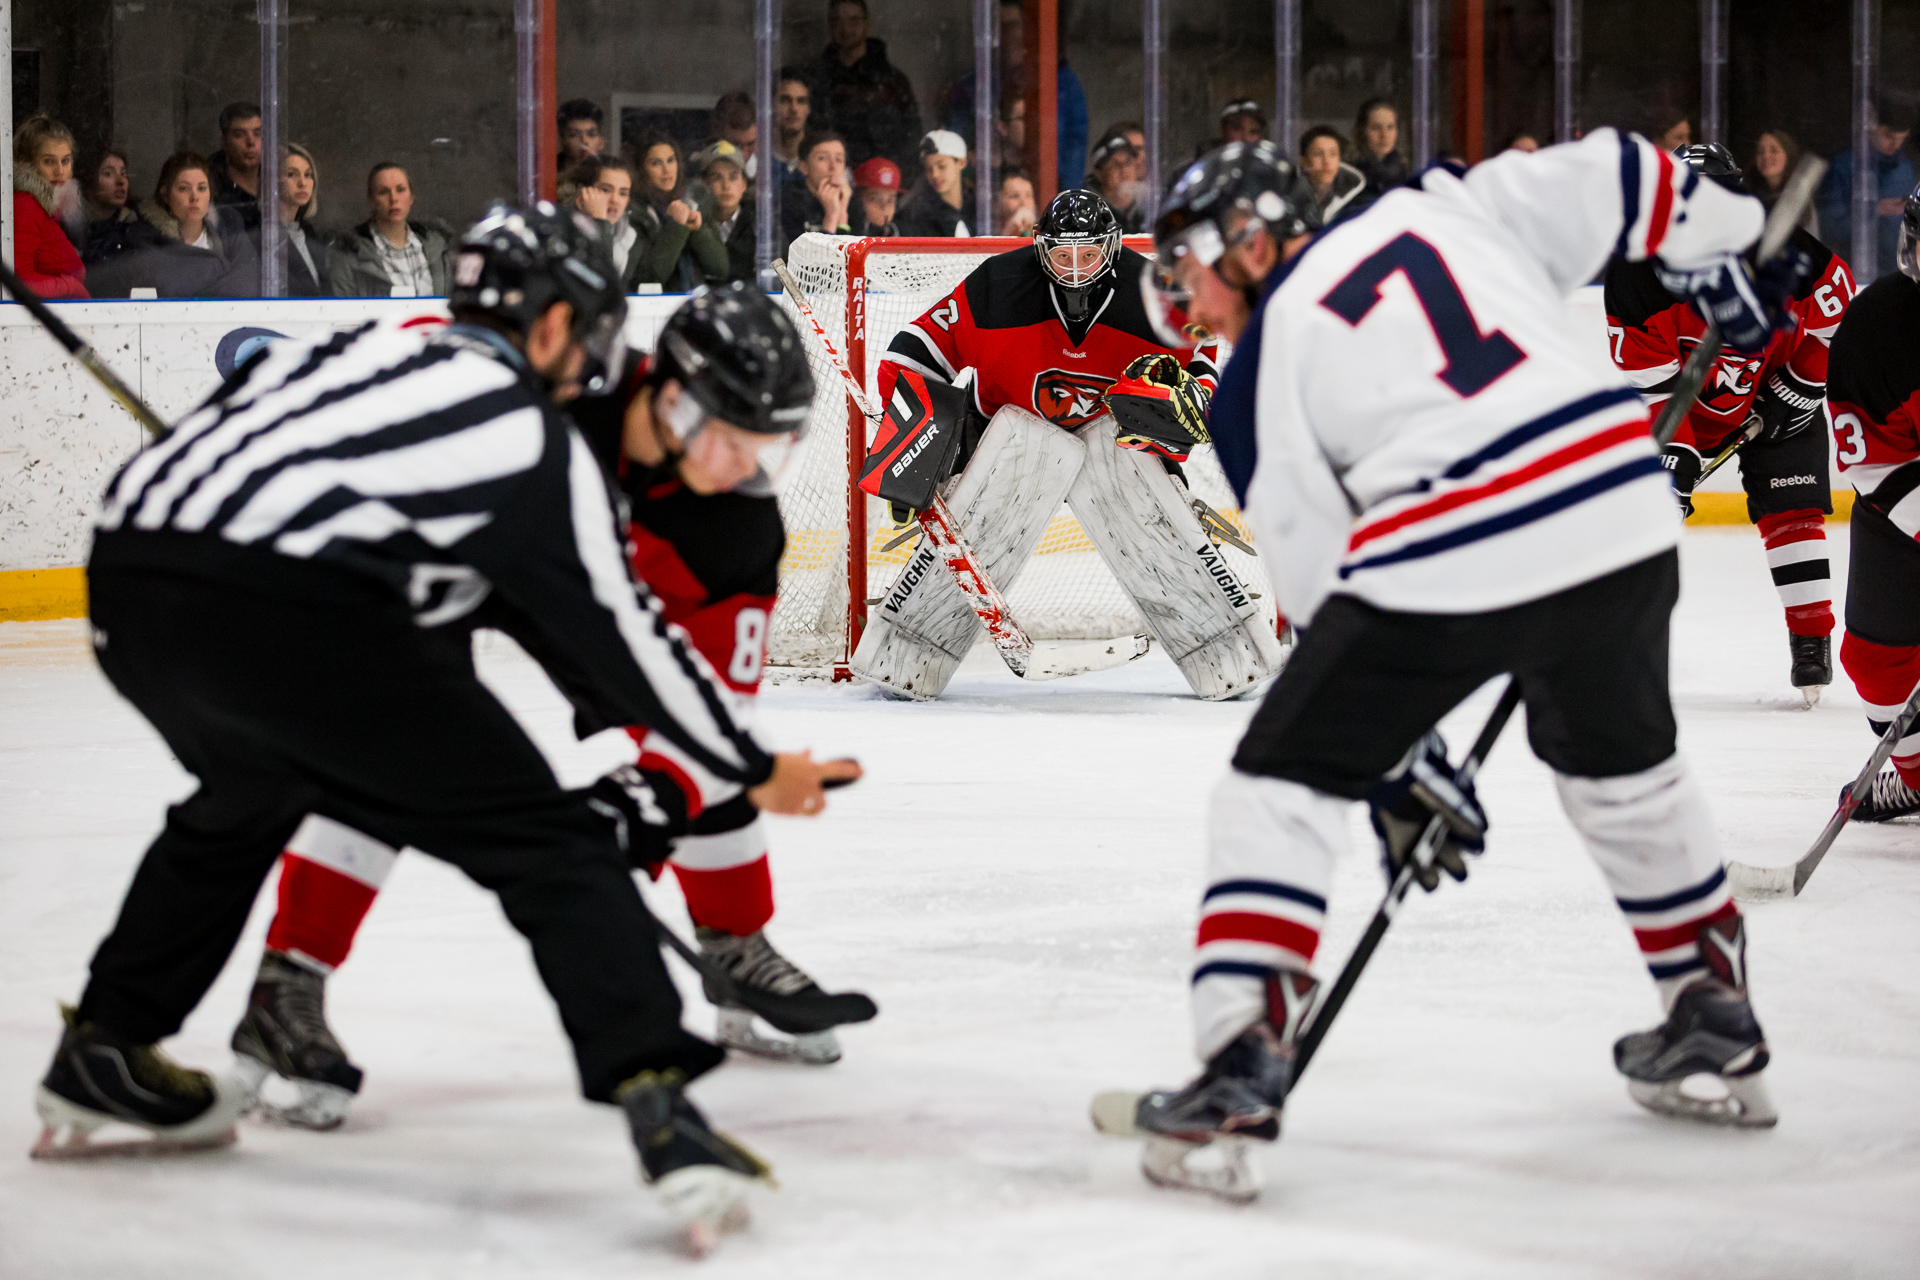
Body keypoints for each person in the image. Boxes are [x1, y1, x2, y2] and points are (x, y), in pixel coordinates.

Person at [34, 202, 856, 1251]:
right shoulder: (540, 433)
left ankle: (106, 1045)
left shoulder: (373, 352)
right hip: (310, 610)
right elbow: (633, 646)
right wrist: (751, 762)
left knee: (245, 794)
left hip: (135, 578)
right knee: (549, 845)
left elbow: (252, 369)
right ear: (553, 327)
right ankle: (661, 1102)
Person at [1123, 133, 1791, 1203]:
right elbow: (1621, 173)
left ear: (1249, 239)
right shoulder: (1439, 205)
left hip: (1453, 536)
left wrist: (1391, 763)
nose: (1185, 296)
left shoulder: (1266, 359)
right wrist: (1727, 247)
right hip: (1617, 508)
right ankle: (1714, 1008)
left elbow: (1318, 580)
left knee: (1278, 787)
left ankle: (1241, 1056)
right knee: (1625, 770)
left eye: (1190, 263)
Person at [223, 280, 873, 1135]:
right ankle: (288, 983)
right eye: (731, 440)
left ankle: (734, 945)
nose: (746, 470)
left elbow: (718, 709)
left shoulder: (734, 531)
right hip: (457, 571)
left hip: (597, 612)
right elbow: (426, 347)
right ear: (671, 401)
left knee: (712, 741)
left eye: (767, 448)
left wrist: (646, 800)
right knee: (393, 744)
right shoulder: (559, 395)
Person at [853, 190, 1275, 704]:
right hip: (1004, 439)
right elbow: (913, 351)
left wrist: (1197, 390)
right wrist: (913, 442)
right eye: (1062, 255)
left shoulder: (1152, 292)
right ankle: (904, 654)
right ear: (1041, 248)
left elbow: (1204, 344)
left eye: (1089, 255)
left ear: (1112, 248)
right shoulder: (997, 286)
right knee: (1010, 463)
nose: (1075, 270)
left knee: (1132, 480)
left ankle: (1228, 651)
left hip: (1117, 439)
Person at [1606, 143, 1853, 701]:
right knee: (1654, 509)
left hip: (1776, 388)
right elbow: (1657, 391)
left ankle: (1811, 642)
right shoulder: (1635, 275)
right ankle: (1627, 647)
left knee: (1793, 504)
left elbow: (1838, 314)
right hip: (1689, 406)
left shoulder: (1780, 246)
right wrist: (1673, 456)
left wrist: (1806, 383)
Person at [1821, 184, 1920, 820]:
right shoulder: (1877, 325)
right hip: (1903, 507)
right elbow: (1875, 461)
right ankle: (1915, 775)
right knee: (1875, 658)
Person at [941, 1, 1088, 195]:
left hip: (1047, 186)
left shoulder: (1059, 79)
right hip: (994, 189)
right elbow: (956, 137)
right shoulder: (977, 83)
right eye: (1001, 27)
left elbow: (1075, 140)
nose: (1008, 34)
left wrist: (1066, 194)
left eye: (1013, 25)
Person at [806, 0, 922, 170]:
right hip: (829, 178)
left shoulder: (892, 80)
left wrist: (896, 182)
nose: (845, 29)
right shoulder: (815, 78)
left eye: (854, 20)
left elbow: (912, 135)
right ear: (829, 25)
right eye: (838, 21)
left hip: (882, 181)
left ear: (867, 24)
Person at [134, 150, 259, 297]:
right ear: (165, 195)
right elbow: (166, 286)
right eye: (183, 188)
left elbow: (250, 281)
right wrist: (220, 272)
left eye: (201, 188)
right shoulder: (147, 238)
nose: (194, 197)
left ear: (210, 194)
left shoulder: (229, 227)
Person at [1816, 97, 1916, 276]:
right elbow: (1829, 230)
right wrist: (1874, 210)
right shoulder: (1842, 167)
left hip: (1897, 275)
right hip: (1854, 274)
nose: (1896, 145)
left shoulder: (1904, 168)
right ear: (1871, 129)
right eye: (1889, 136)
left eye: (1902, 139)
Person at [329, 163, 451, 298]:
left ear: (411, 197)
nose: (394, 198)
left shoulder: (436, 247)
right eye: (383, 192)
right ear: (372, 200)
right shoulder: (349, 254)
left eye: (401, 189)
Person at [630, 133, 728, 292]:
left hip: (696, 303)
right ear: (642, 169)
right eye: (656, 163)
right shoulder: (635, 212)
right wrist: (677, 225)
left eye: (671, 160)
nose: (666, 169)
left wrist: (698, 230)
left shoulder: (695, 202)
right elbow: (651, 277)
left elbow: (720, 269)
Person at [10, 115, 88, 298]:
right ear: (25, 162)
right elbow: (18, 283)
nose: (60, 171)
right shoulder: (26, 205)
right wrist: (71, 287)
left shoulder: (53, 209)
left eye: (65, 161)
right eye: (49, 161)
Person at [562, 155, 640, 286]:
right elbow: (602, 278)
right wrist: (599, 220)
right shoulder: (565, 231)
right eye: (605, 190)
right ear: (583, 193)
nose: (615, 200)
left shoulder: (628, 235)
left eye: (623, 193)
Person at [780, 130, 854, 250]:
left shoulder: (852, 202)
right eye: (822, 158)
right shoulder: (788, 201)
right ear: (803, 167)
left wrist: (842, 215)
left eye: (839, 160)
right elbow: (809, 263)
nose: (833, 167)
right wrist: (831, 217)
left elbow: (850, 261)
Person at [274, 144, 332, 298]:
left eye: (307, 175)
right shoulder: (260, 234)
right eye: (291, 174)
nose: (302, 183)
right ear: (271, 181)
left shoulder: (309, 235)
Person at [695, 142, 757, 283]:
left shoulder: (760, 223)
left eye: (733, 177)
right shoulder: (695, 223)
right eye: (717, 177)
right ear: (705, 183)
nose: (726, 186)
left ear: (744, 184)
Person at [897, 130, 971, 237]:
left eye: (942, 166)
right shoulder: (921, 216)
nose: (934, 175)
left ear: (962, 163)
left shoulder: (976, 208)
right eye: (928, 169)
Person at [1749, 129, 1816, 235]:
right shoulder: (1749, 195)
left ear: (1788, 155)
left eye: (1774, 150)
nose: (1766, 156)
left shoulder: (1798, 195)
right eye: (1760, 151)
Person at [208, 102, 264, 229]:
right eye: (239, 135)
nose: (251, 142)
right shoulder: (210, 191)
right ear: (224, 142)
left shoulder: (279, 182)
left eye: (258, 134)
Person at [1085, 127, 1146, 233]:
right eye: (1115, 164)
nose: (1124, 170)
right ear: (1098, 172)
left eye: (1128, 162)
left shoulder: (1147, 209)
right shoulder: (1086, 212)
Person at [1299, 125, 1363, 225]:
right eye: (1318, 154)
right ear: (1304, 161)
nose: (1326, 161)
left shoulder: (1355, 201)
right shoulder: (1291, 201)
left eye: (1333, 154)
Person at [1351, 97, 1408, 207]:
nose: (1384, 135)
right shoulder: (1352, 175)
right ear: (1363, 131)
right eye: (1376, 128)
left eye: (1390, 127)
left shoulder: (1408, 172)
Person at [771, 70, 813, 181]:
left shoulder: (822, 158)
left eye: (801, 101)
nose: (794, 108)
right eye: (785, 100)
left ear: (808, 109)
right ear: (771, 104)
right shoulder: (759, 155)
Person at [711, 91, 758, 179]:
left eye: (751, 143)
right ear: (719, 138)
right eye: (736, 145)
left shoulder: (771, 169)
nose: (744, 153)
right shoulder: (702, 167)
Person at [851, 156, 901, 236]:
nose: (884, 207)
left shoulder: (901, 233)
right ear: (859, 200)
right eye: (874, 199)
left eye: (890, 200)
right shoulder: (848, 234)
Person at [559, 98, 607, 172]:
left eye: (591, 134)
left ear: (601, 142)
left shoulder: (608, 173)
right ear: (561, 140)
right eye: (574, 135)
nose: (584, 141)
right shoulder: (548, 173)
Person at [993, 170, 1036, 235]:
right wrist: (1008, 232)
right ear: (1000, 199)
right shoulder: (989, 228)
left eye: (1028, 195)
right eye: (1015, 196)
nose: (1023, 203)